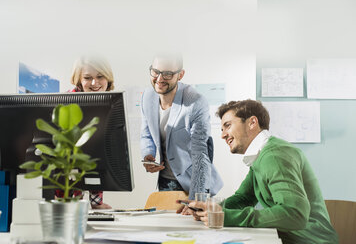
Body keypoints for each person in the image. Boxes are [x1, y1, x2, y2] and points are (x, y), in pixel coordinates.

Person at [188, 99, 338, 244]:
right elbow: (243, 198)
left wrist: (225, 217)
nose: (222, 135)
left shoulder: (274, 155)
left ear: (252, 123)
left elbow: (295, 215)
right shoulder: (261, 156)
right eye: (222, 129)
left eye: (228, 126)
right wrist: (209, 209)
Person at [140, 53, 223, 200]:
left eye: (167, 74)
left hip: (193, 182)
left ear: (180, 75)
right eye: (155, 72)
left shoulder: (195, 102)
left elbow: (201, 154)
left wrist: (197, 199)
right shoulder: (147, 96)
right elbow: (146, 134)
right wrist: (148, 155)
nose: (159, 79)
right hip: (165, 181)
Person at [62, 55, 114, 209]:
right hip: (65, 179)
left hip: (92, 171)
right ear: (79, 80)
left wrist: (96, 203)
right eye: (87, 78)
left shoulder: (110, 102)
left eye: (100, 76)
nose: (94, 83)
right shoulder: (66, 103)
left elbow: (98, 153)